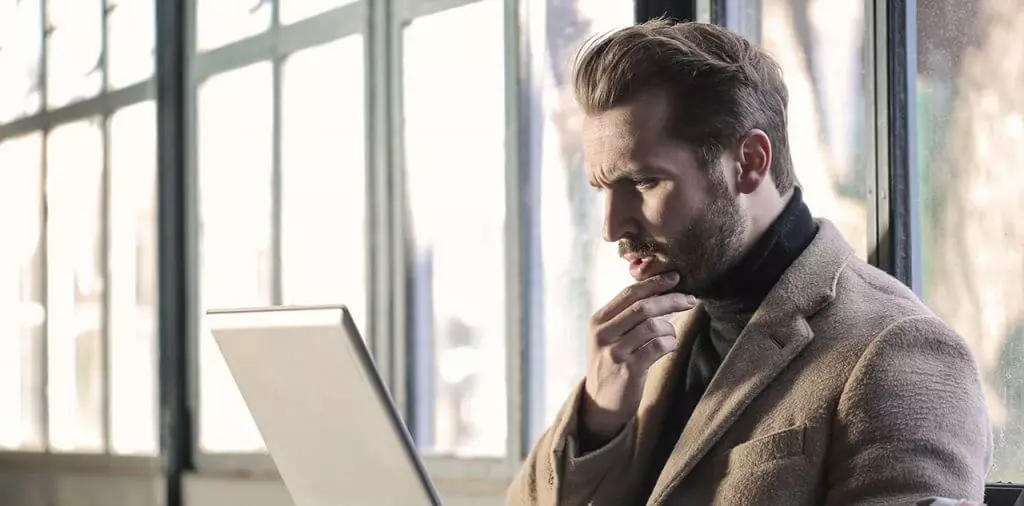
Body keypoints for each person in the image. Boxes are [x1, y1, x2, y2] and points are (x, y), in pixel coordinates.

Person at [507, 19, 992, 505]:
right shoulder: (648, 341)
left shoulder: (898, 350)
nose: (612, 227)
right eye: (602, 189)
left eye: (643, 182)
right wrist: (597, 418)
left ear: (751, 161)